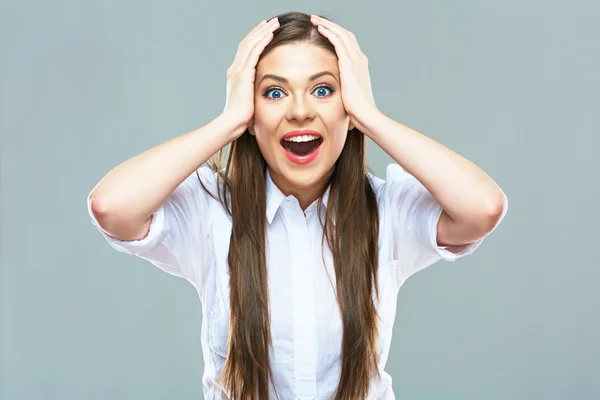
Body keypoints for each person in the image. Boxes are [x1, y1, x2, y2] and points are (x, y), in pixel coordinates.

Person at [87, 11, 508, 400]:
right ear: (252, 112)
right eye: (274, 93)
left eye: (323, 90)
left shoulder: (387, 211)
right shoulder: (212, 211)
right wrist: (230, 121)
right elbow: (111, 207)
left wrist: (370, 115)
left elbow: (483, 208)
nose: (301, 111)